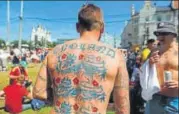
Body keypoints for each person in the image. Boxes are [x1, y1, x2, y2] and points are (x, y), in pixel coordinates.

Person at [33, 4, 130, 114]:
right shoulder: (116, 56)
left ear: (77, 27)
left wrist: (59, 95)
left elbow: (39, 92)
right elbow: (123, 106)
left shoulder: (54, 53)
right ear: (102, 28)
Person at [144, 22, 178, 114]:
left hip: (174, 101)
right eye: (158, 34)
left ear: (174, 35)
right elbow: (143, 70)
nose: (160, 38)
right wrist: (149, 63)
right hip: (154, 99)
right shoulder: (154, 51)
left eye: (164, 34)